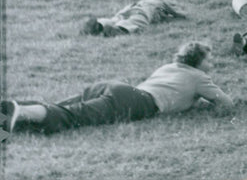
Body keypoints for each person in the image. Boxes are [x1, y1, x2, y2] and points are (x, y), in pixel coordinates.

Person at [1, 42, 233, 135]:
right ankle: (22, 112)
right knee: (73, 115)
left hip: (117, 87)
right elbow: (226, 103)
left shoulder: (170, 66)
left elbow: (174, 91)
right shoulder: (199, 77)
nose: (211, 65)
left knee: (66, 106)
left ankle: (15, 110)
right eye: (208, 60)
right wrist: (206, 105)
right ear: (197, 61)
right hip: (137, 101)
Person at [81, 0, 187, 37]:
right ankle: (119, 30)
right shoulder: (163, 0)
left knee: (118, 17)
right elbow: (177, 14)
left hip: (132, 7)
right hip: (144, 10)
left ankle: (101, 24)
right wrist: (184, 16)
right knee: (137, 20)